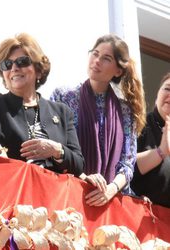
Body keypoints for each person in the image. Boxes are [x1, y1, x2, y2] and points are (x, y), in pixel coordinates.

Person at [0, 33, 84, 176]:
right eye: (7, 64)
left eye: (22, 61)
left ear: (39, 70)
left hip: (51, 196)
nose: (14, 68)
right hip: (9, 195)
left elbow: (78, 165)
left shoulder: (62, 112)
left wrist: (56, 150)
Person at [50, 34, 146, 206]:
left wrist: (110, 189)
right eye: (95, 54)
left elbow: (127, 163)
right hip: (68, 192)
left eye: (106, 58)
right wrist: (85, 178)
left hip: (109, 201)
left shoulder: (126, 111)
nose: (97, 61)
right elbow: (56, 146)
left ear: (118, 70)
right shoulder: (63, 96)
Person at [131, 72, 170, 208]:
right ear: (157, 95)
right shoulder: (139, 124)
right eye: (167, 88)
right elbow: (122, 166)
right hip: (135, 211)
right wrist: (160, 152)